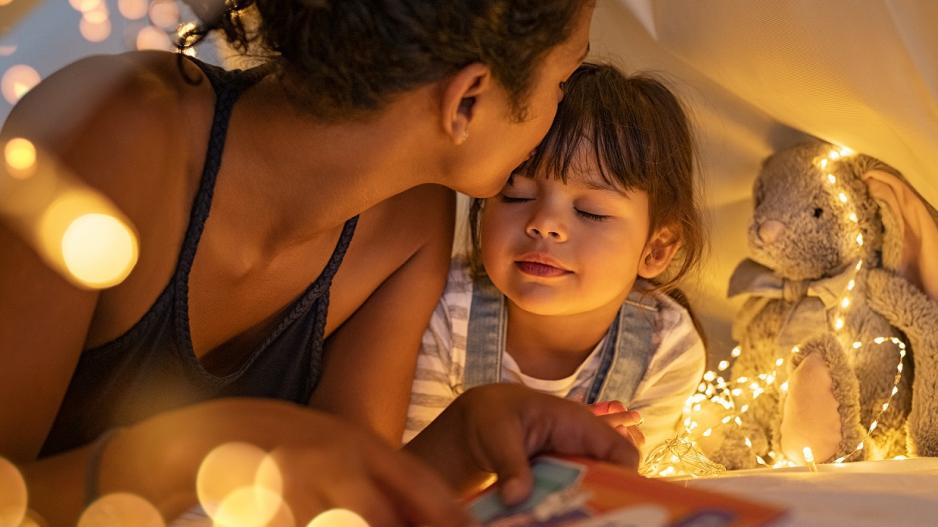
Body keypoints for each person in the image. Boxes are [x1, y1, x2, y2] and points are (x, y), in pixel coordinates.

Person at [0, 1, 642, 525]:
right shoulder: (118, 130)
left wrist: (470, 435)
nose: (559, 105)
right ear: (468, 98)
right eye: (562, 81)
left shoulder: (414, 222)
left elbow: (340, 498)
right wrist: (195, 451)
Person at [404, 63, 707, 460]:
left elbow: (633, 488)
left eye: (591, 211)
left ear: (657, 249)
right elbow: (413, 474)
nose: (545, 225)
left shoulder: (666, 347)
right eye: (517, 195)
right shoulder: (445, 312)